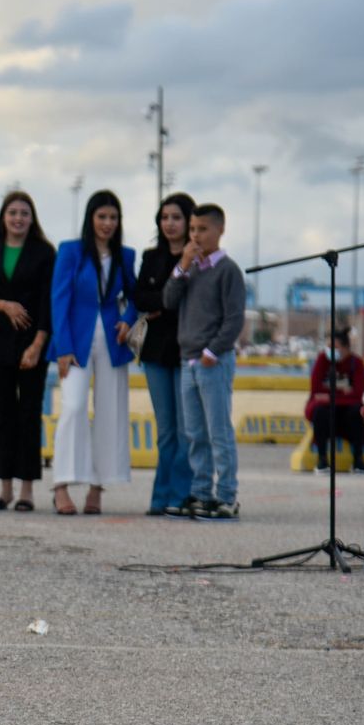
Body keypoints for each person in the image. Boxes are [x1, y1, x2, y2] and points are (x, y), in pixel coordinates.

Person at [0, 190, 55, 511]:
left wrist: (38, 344)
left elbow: (48, 302)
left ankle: (27, 489)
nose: (18, 218)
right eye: (13, 212)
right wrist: (4, 305)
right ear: (3, 217)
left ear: (32, 218)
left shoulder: (45, 252)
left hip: (32, 343)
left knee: (29, 414)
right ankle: (5, 488)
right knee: (4, 415)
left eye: (24, 213)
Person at [48, 190, 137, 516]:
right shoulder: (70, 251)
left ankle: (97, 487)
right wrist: (63, 347)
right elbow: (59, 299)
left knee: (110, 411)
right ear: (91, 218)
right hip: (75, 341)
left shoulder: (126, 255)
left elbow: (136, 295)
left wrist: (129, 319)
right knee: (72, 407)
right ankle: (61, 485)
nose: (107, 223)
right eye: (102, 217)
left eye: (113, 217)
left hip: (113, 342)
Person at [163, 203, 246, 522]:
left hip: (213, 361)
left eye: (203, 229)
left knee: (218, 432)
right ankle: (201, 493)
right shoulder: (191, 268)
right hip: (188, 361)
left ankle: (226, 496)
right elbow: (169, 301)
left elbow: (234, 318)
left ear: (220, 230)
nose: (196, 235)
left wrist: (213, 351)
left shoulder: (228, 270)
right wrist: (182, 266)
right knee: (195, 433)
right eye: (193, 229)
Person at [134, 193, 197, 517]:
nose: (169, 223)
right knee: (166, 431)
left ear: (188, 221)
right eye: (164, 217)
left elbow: (187, 300)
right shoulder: (151, 257)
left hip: (186, 351)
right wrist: (162, 302)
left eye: (176, 217)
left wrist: (161, 302)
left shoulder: (197, 258)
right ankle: (160, 497)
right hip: (156, 352)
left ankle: (181, 495)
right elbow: (141, 297)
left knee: (187, 430)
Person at [307, 327, 364, 474]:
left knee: (356, 412)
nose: (330, 350)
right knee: (320, 412)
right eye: (328, 347)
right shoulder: (322, 360)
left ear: (346, 348)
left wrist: (329, 395)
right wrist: (344, 392)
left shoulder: (356, 363)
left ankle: (358, 461)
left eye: (334, 347)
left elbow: (358, 394)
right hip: (327, 413)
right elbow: (315, 390)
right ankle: (322, 460)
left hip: (347, 414)